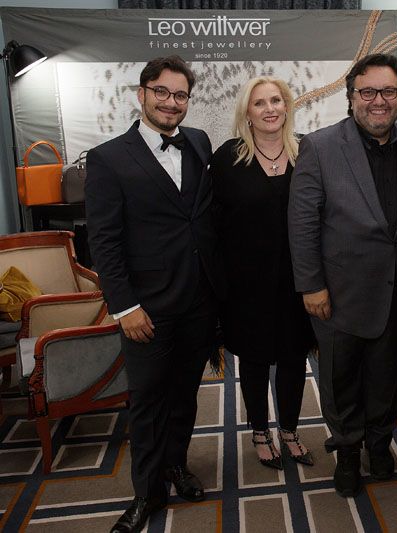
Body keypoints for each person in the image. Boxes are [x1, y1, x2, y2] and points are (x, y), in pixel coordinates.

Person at [85, 55, 226, 533]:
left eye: (180, 94)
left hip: (198, 301)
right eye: (162, 92)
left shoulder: (199, 142)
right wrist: (124, 306)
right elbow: (104, 242)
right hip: (145, 308)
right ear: (141, 94)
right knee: (147, 402)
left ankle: (175, 465)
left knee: (185, 395)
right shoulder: (108, 158)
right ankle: (146, 493)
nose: (171, 102)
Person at [288, 53, 397, 498]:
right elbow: (302, 223)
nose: (378, 100)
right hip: (337, 294)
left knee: (386, 379)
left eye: (388, 91)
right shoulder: (320, 146)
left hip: (396, 292)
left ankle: (379, 443)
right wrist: (311, 285)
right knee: (341, 381)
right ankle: (348, 452)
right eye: (367, 92)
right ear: (351, 97)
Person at [211, 77, 316, 471]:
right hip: (245, 284)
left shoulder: (307, 152)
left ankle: (289, 430)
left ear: (287, 107)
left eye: (276, 100)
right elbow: (212, 221)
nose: (270, 109)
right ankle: (259, 432)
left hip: (297, 280)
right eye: (260, 103)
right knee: (254, 361)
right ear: (247, 113)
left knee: (293, 358)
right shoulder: (228, 157)